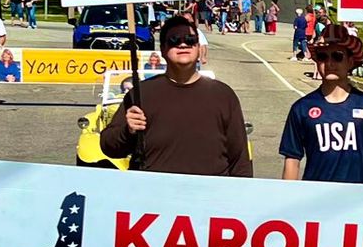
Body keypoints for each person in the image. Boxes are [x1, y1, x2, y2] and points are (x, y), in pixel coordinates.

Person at [99, 15, 250, 177]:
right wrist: (127, 131)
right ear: (163, 50)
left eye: (190, 40)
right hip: (153, 195)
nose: (183, 44)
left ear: (199, 48)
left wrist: (241, 197)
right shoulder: (140, 94)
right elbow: (109, 146)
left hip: (210, 196)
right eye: (174, 40)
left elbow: (240, 159)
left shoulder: (223, 95)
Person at [279, 23, 363, 183]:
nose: (330, 63)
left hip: (356, 202)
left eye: (337, 56)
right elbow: (292, 159)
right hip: (315, 201)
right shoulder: (302, 108)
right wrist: (289, 200)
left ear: (350, 62)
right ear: (317, 62)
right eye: (323, 56)